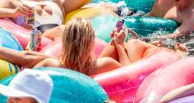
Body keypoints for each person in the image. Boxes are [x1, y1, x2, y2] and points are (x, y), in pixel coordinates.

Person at [35, 17, 166, 75]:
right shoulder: (104, 65)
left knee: (116, 42)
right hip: (92, 69)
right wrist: (120, 46)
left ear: (65, 41)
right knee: (132, 44)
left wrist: (31, 47)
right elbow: (129, 75)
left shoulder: (50, 64)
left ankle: (119, 40)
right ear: (91, 42)